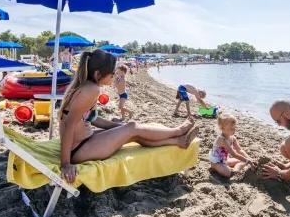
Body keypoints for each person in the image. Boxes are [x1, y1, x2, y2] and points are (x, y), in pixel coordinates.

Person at [58, 50, 199, 183]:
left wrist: (119, 127)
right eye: (111, 73)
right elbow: (69, 124)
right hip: (78, 150)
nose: (114, 76)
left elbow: (93, 119)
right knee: (133, 127)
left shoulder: (87, 86)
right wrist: (65, 164)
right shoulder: (91, 90)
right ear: (97, 74)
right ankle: (178, 131)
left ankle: (178, 141)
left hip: (83, 142)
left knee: (132, 133)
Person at [209, 113, 255, 177]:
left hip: (225, 160)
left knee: (244, 160)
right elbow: (234, 154)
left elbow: (239, 150)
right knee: (227, 173)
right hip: (217, 163)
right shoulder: (222, 139)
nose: (233, 130)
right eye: (230, 129)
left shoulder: (232, 138)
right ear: (222, 128)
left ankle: (235, 168)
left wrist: (249, 159)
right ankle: (232, 170)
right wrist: (248, 161)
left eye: (234, 128)